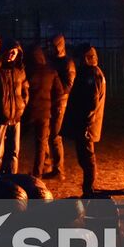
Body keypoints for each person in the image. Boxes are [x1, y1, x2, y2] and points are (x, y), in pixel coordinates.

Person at [61, 42, 106, 196]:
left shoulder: (91, 74)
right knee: (84, 157)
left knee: (87, 158)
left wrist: (85, 124)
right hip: (84, 124)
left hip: (86, 125)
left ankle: (89, 190)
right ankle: (88, 189)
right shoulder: (88, 72)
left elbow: (92, 103)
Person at [0, 40, 29, 175]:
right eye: (11, 51)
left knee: (14, 151)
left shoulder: (19, 70)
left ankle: (12, 178)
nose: (12, 54)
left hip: (16, 117)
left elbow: (26, 90)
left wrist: (22, 105)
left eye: (16, 52)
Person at [24, 44, 60, 176]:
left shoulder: (28, 71)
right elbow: (59, 91)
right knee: (41, 143)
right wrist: (52, 104)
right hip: (45, 112)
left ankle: (10, 169)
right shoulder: (51, 71)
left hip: (30, 111)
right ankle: (38, 172)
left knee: (18, 140)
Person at [45, 34, 77, 180]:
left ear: (59, 45)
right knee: (46, 135)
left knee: (55, 136)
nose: (51, 48)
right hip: (49, 101)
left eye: (54, 46)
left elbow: (69, 85)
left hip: (59, 103)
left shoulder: (67, 62)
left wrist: (57, 94)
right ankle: (47, 166)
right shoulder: (52, 61)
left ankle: (58, 169)